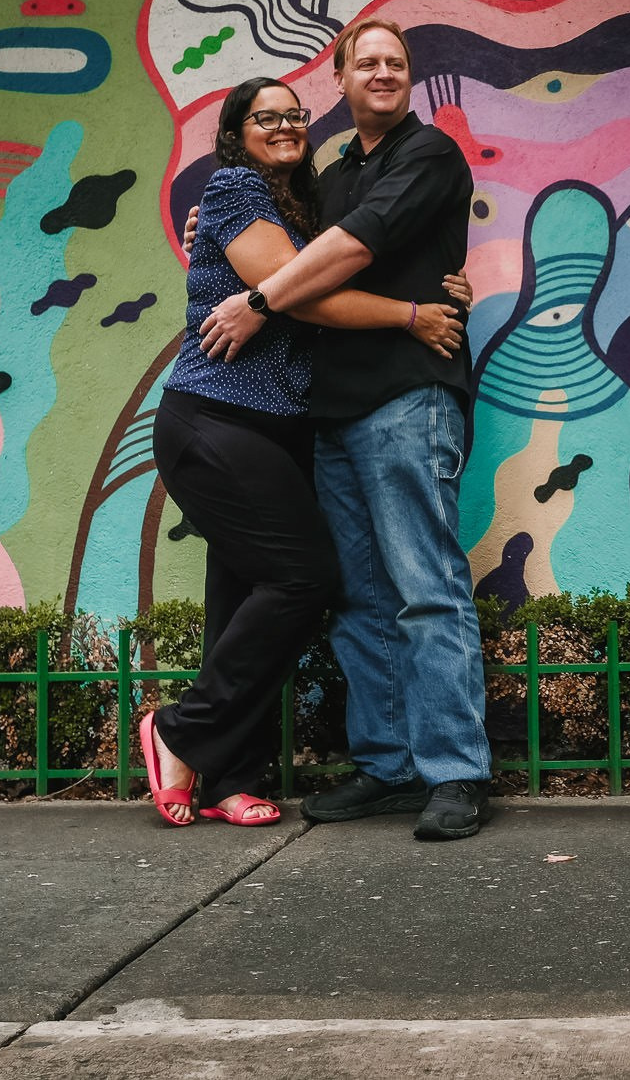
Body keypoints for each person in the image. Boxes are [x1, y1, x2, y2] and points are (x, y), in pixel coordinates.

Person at [197, 18, 494, 841]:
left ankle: (456, 771)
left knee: (426, 586)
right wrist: (209, 231)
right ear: (341, 78)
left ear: (409, 77)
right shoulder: (333, 174)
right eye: (368, 62)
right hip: (333, 410)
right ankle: (389, 764)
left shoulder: (428, 154)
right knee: (358, 598)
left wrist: (259, 302)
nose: (384, 72)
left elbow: (352, 249)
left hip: (409, 397)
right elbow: (284, 244)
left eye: (396, 62)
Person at [140, 77, 462, 828]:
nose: (285, 125)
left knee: (239, 601)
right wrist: (410, 314)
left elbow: (349, 256)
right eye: (266, 117)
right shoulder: (235, 188)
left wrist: (445, 281)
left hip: (280, 427)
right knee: (304, 575)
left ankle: (227, 778)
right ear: (236, 132)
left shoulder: (302, 205)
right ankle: (180, 730)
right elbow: (302, 291)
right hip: (215, 417)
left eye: (294, 115)